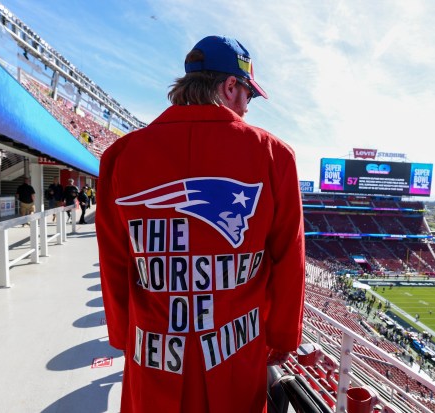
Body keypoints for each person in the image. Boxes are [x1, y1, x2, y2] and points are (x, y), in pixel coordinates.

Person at [96, 35, 305, 413]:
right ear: (229, 86)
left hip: (154, 351)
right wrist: (282, 336)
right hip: (235, 352)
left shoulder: (120, 155)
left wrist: (123, 333)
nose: (247, 108)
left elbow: (114, 261)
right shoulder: (275, 155)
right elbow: (288, 258)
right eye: (248, 96)